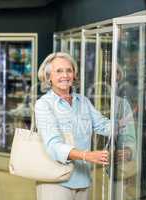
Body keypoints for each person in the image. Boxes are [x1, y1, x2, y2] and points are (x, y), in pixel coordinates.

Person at [35, 52, 111, 200]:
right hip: (55, 182)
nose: (65, 75)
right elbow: (53, 145)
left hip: (83, 179)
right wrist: (86, 155)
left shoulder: (83, 102)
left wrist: (124, 122)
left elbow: (103, 126)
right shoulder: (44, 104)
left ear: (74, 75)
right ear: (48, 77)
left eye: (69, 70)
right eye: (59, 71)